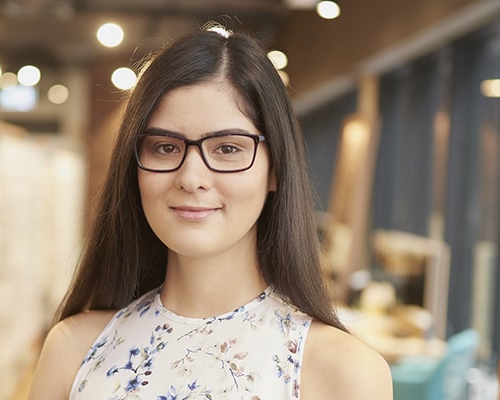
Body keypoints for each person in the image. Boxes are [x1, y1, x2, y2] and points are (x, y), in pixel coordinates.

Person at [29, 24, 393, 400]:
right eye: (165, 148)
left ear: (276, 171)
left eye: (228, 148)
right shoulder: (74, 350)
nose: (191, 178)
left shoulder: (343, 372)